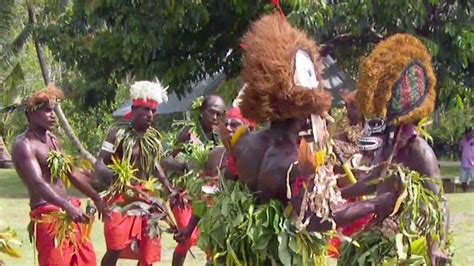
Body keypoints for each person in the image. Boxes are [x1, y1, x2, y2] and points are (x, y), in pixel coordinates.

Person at [339, 34, 450, 265]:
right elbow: (373, 180)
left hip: (411, 244)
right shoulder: (386, 143)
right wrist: (336, 195)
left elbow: (439, 203)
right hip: (382, 238)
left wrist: (435, 247)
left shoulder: (418, 150)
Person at [11, 85, 107, 266]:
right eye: (47, 111)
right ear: (31, 114)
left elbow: (70, 172)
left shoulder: (52, 139)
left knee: (86, 261)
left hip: (69, 211)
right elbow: (38, 182)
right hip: (48, 216)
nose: (53, 115)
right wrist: (66, 207)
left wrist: (97, 198)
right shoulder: (24, 144)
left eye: (53, 110)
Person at [94, 80, 173, 266]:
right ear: (133, 108)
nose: (150, 115)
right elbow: (99, 164)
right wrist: (115, 177)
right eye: (145, 109)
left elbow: (154, 165)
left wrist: (169, 187)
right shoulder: (117, 134)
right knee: (116, 246)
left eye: (153, 111)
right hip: (121, 197)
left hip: (145, 196)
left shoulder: (151, 138)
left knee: (148, 250)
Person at [161, 95, 225, 266]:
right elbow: (164, 160)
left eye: (220, 114)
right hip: (183, 195)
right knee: (187, 238)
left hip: (208, 193)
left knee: (211, 238)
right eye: (212, 112)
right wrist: (183, 165)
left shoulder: (221, 135)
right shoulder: (188, 133)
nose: (215, 118)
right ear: (202, 111)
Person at [459, 127, 474, 192]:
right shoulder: (462, 141)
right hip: (464, 163)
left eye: (469, 132)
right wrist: (461, 158)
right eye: (467, 133)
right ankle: (464, 191)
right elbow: (459, 151)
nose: (468, 134)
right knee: (463, 179)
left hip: (472, 163)